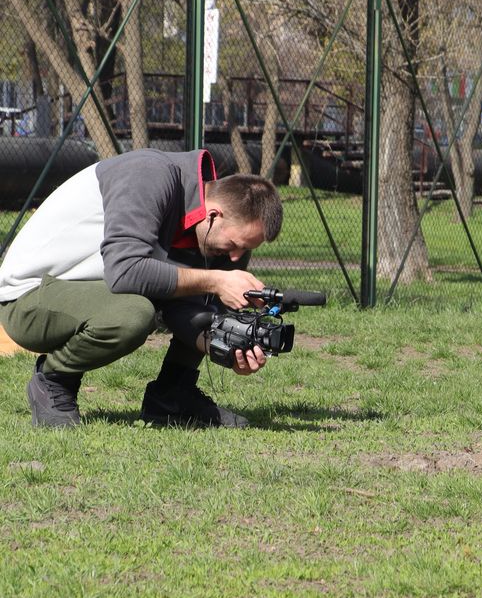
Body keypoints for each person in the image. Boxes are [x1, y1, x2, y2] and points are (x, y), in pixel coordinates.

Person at [0, 148, 283, 428]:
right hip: (28, 297)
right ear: (212, 215)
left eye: (246, 249)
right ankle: (54, 380)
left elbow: (188, 307)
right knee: (134, 313)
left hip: (94, 289)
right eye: (235, 245)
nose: (237, 257)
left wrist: (226, 349)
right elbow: (126, 273)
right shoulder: (148, 175)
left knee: (212, 297)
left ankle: (172, 396)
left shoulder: (206, 224)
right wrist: (217, 281)